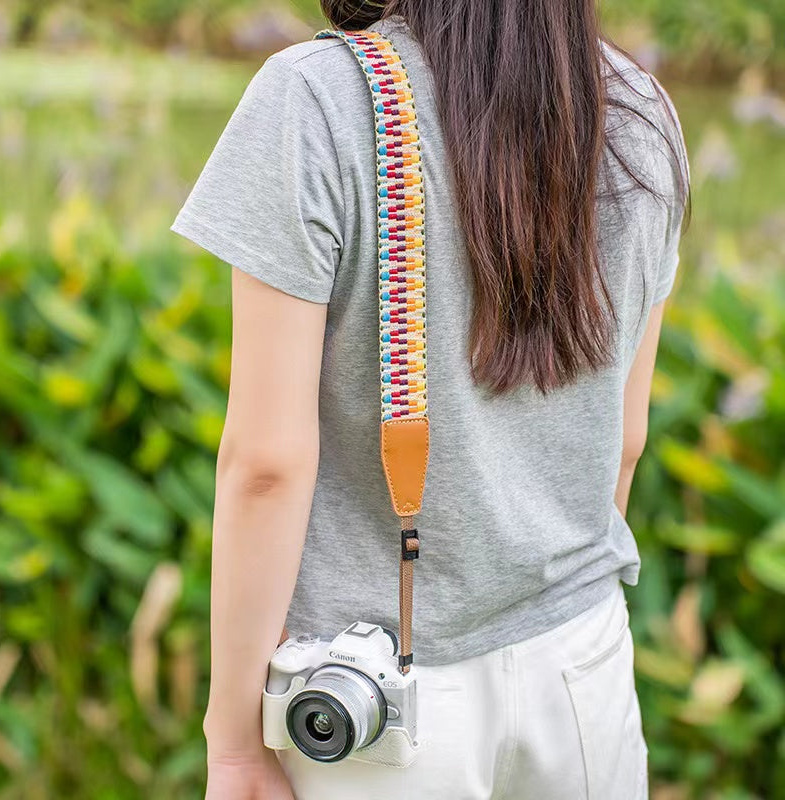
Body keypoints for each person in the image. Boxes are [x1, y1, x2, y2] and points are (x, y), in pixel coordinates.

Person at [170, 0, 690, 798]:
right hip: (584, 667)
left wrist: (237, 739)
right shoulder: (640, 110)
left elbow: (268, 465)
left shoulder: (321, 98)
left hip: (375, 702)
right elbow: (624, 438)